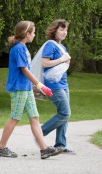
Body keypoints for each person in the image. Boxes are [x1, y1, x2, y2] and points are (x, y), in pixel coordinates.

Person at [0, 21, 63, 159]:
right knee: (15, 117)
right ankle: (0, 148)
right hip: (19, 88)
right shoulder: (18, 48)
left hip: (25, 88)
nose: (34, 34)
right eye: (33, 32)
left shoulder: (24, 48)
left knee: (34, 117)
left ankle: (44, 149)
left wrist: (32, 86)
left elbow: (26, 70)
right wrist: (39, 85)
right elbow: (24, 69)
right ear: (27, 34)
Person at [40, 19, 75, 154]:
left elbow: (63, 66)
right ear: (54, 31)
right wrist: (62, 59)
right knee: (65, 113)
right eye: (61, 29)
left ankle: (60, 144)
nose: (64, 32)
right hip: (53, 85)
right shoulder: (50, 45)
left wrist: (66, 61)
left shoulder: (62, 47)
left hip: (63, 83)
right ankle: (40, 133)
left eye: (66, 30)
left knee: (64, 115)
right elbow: (45, 63)